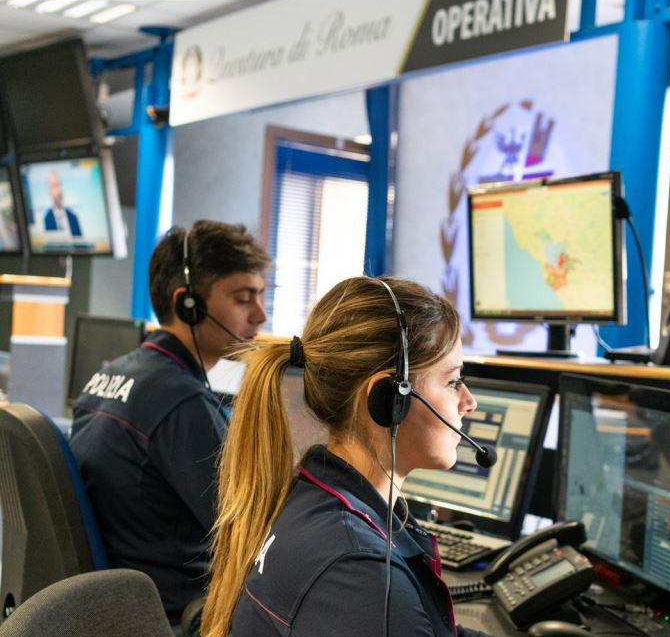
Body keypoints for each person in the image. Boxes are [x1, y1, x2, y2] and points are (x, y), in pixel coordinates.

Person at [202, 275, 493, 637]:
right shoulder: (361, 572)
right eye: (452, 381)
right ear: (389, 400)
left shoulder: (316, 497)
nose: (469, 402)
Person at [70, 219, 269, 628]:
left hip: (120, 606)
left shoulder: (108, 378)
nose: (260, 316)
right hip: (177, 614)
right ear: (187, 304)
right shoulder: (181, 404)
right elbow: (255, 530)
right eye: (244, 298)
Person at [43, 170, 82, 236]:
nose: (59, 190)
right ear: (49, 191)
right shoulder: (47, 219)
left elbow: (82, 244)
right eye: (55, 186)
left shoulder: (73, 217)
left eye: (59, 185)